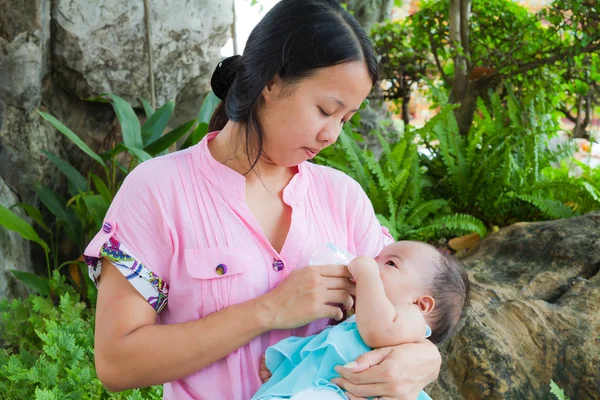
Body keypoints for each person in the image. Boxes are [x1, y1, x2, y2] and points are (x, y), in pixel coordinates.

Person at [83, 1, 442, 399]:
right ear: (271, 83)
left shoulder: (343, 199)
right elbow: (116, 363)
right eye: (326, 110)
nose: (332, 135)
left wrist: (426, 358)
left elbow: (406, 311)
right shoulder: (158, 190)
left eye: (346, 119)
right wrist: (267, 310)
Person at [253, 241, 469, 400]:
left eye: (391, 263)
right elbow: (318, 352)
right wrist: (282, 363)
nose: (374, 263)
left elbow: (379, 331)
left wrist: (367, 274)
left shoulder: (410, 320)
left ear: (421, 304)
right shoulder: (353, 324)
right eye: (376, 259)